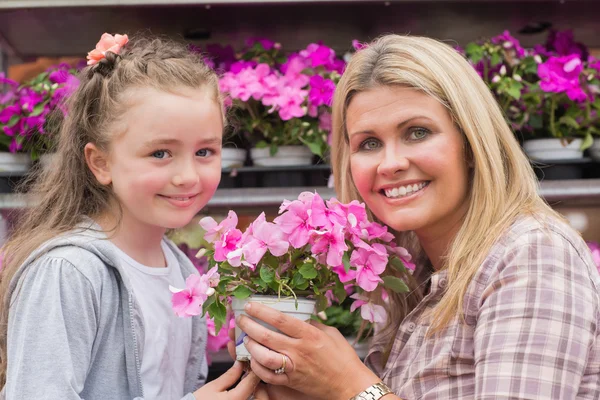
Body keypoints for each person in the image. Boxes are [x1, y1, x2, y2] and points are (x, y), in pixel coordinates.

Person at [233, 34, 600, 399]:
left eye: (417, 133)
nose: (390, 164)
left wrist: (349, 385)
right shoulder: (416, 273)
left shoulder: (532, 254)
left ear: (471, 144)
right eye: (369, 143)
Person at [0, 33, 266, 400]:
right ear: (101, 163)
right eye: (160, 153)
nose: (188, 176)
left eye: (205, 151)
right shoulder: (69, 273)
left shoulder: (181, 271)